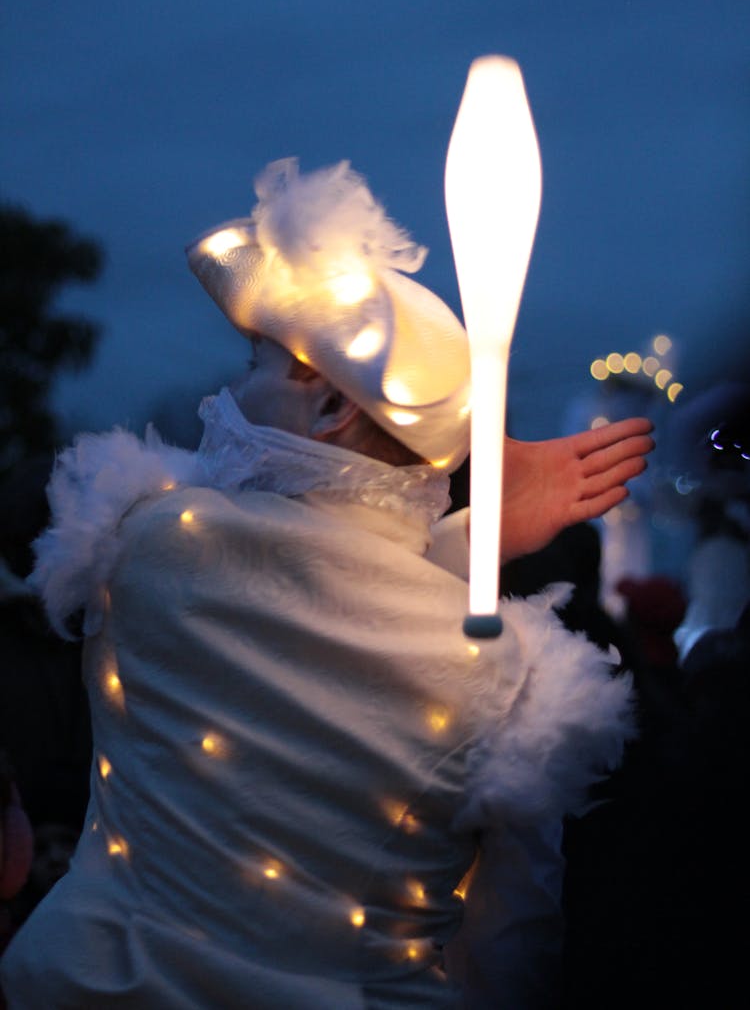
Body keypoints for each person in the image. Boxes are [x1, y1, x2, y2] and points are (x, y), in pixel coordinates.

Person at [0, 159, 652, 1009]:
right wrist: (467, 534)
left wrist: (465, 532)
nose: (229, 392)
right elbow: (511, 948)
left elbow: (284, 585)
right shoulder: (514, 672)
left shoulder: (149, 540)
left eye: (257, 361)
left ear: (328, 405)